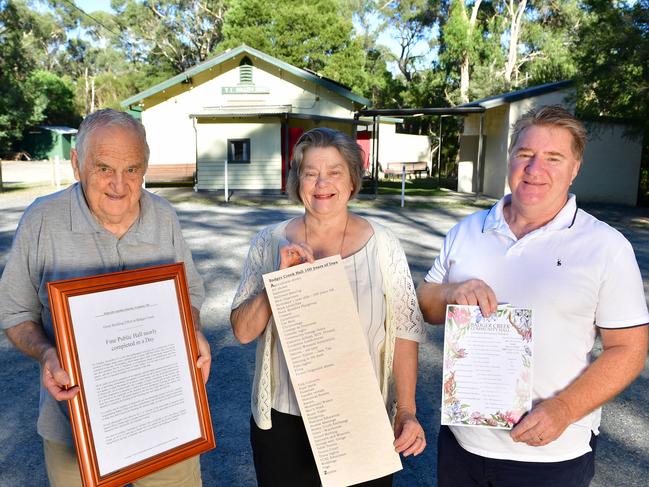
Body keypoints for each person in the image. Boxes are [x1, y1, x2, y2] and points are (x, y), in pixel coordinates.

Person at [417, 105, 649, 486]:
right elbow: (426, 304)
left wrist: (564, 408)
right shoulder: (467, 231)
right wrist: (451, 292)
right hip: (462, 444)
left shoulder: (606, 246)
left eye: (553, 158)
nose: (535, 168)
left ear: (575, 168)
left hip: (551, 456)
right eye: (525, 154)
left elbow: (629, 349)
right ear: (511, 158)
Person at [0, 109, 211, 486]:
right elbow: (14, 312)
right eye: (103, 168)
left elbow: (189, 292)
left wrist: (191, 330)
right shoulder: (42, 220)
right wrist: (48, 353)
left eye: (132, 169)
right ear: (77, 163)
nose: (119, 184)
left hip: (164, 418)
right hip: (74, 431)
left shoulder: (164, 217)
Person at [230, 127, 427, 486]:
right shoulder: (268, 241)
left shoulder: (382, 244)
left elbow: (406, 332)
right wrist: (276, 283)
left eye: (334, 171)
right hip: (283, 423)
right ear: (297, 181)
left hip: (361, 418)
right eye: (310, 173)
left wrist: (408, 410)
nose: (322, 183)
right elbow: (242, 332)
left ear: (352, 178)